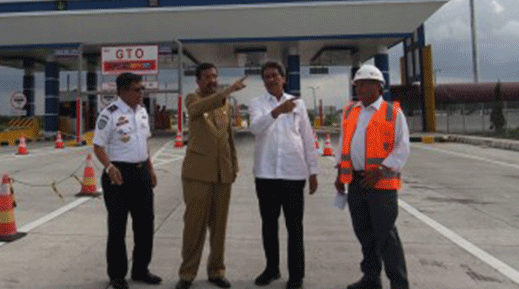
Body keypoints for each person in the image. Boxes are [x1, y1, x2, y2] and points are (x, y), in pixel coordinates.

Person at [334, 64, 410, 289]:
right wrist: (340, 171)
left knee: (386, 236)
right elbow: (343, 143)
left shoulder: (392, 112)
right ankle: (371, 278)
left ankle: (399, 283)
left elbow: (402, 148)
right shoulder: (350, 111)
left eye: (365, 84)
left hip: (381, 184)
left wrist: (381, 170)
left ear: (379, 87)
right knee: (364, 234)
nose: (360, 88)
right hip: (356, 182)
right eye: (357, 84)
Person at [248, 61, 319, 289]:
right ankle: (272, 269)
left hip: (293, 174)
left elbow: (307, 138)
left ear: (283, 79)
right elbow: (255, 128)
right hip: (266, 175)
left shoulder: (298, 104)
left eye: (274, 76)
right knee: (269, 225)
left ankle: (296, 275)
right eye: (266, 77)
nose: (270, 80)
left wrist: (313, 171)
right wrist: (277, 111)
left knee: (294, 226)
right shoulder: (257, 103)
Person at [175, 63, 247, 289]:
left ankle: (216, 271)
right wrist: (226, 92)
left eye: (214, 76)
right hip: (197, 174)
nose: (212, 80)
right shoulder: (192, 99)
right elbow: (196, 110)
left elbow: (228, 138)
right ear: (198, 81)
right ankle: (187, 274)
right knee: (194, 226)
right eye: (207, 77)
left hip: (222, 174)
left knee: (219, 227)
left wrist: (233, 165)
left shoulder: (223, 105)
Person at [93, 72, 161, 289]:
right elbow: (98, 146)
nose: (141, 93)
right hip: (118, 175)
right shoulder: (109, 114)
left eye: (142, 89)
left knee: (145, 224)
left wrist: (150, 168)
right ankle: (117, 275)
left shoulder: (141, 112)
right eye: (137, 89)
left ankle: (141, 269)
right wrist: (109, 166)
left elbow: (144, 143)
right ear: (122, 91)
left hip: (141, 173)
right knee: (117, 227)